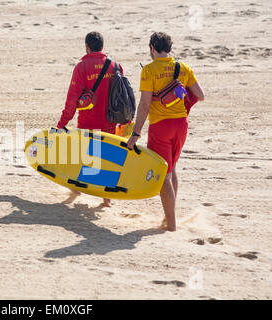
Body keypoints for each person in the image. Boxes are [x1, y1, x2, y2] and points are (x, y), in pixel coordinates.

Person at [127, 32, 204, 231]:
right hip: (181, 125)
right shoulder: (183, 67)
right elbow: (201, 96)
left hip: (161, 126)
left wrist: (135, 133)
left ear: (152, 47)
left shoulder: (149, 70)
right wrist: (180, 99)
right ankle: (169, 217)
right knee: (172, 169)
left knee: (164, 175)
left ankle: (171, 225)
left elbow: (144, 105)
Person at [57, 31, 124, 207]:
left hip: (87, 123)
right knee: (106, 158)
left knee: (82, 156)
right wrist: (126, 121)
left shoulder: (82, 67)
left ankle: (76, 189)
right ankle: (106, 199)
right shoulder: (115, 65)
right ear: (102, 46)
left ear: (87, 46)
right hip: (110, 121)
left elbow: (72, 100)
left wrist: (62, 124)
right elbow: (122, 95)